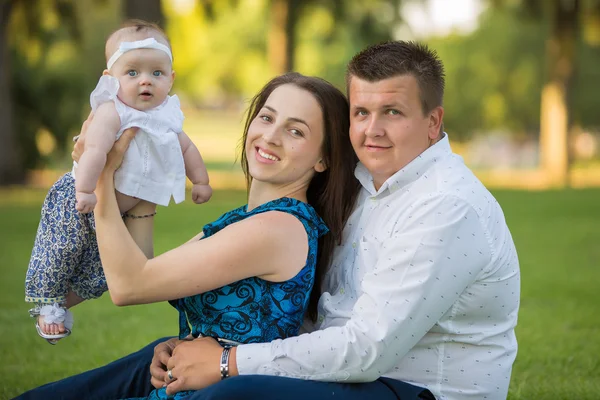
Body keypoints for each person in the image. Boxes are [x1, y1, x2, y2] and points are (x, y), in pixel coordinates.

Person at [16, 41, 520, 400]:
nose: (372, 131)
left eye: (393, 113)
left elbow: (367, 349)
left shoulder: (447, 206)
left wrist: (224, 362)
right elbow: (309, 307)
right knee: (162, 357)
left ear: (434, 122)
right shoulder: (367, 188)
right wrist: (209, 348)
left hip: (410, 388)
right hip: (344, 370)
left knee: (233, 394)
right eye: (362, 113)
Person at [24, 19, 211, 344]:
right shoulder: (113, 112)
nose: (145, 82)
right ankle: (47, 304)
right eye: (132, 73)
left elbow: (187, 148)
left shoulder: (167, 115)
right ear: (110, 79)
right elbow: (93, 150)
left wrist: (201, 181)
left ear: (171, 78)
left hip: (122, 212)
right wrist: (84, 189)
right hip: (79, 199)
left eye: (157, 73)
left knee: (107, 271)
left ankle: (61, 305)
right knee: (60, 251)